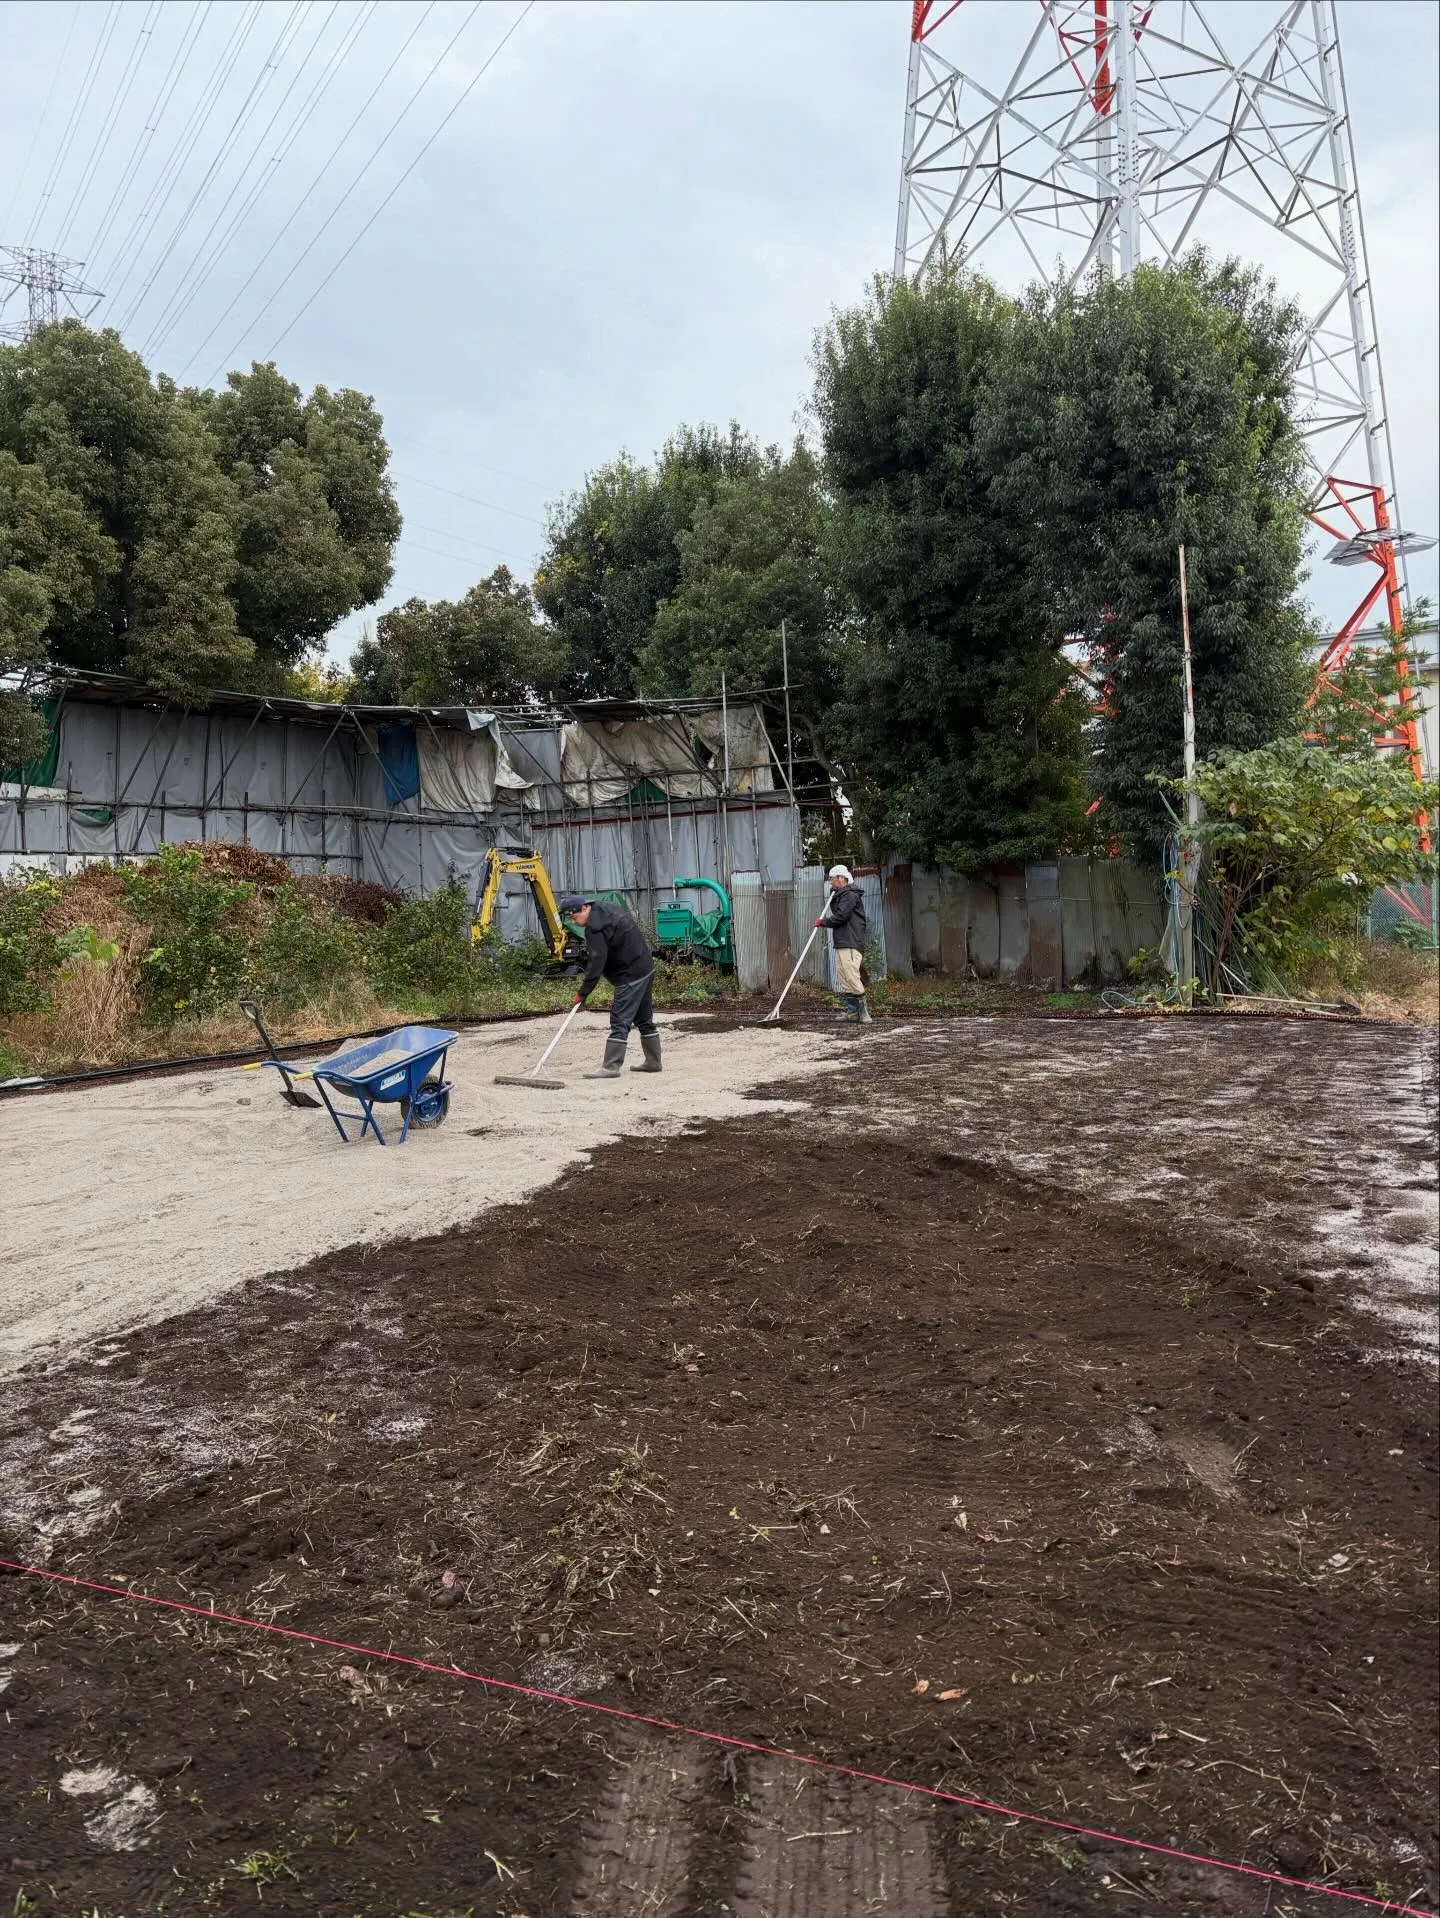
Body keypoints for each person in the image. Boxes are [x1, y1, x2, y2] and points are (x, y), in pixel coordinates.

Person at [558, 894, 662, 1078]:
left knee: (620, 1019)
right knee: (643, 1019)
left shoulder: (595, 928)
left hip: (630, 975)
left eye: (574, 918)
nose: (574, 922)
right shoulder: (603, 908)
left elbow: (597, 962)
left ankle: (610, 1067)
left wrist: (582, 994)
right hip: (644, 967)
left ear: (583, 909)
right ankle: (653, 1062)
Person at [818, 864, 872, 1024]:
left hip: (851, 940)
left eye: (832, 879)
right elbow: (837, 909)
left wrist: (823, 922)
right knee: (844, 977)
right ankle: (852, 1013)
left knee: (851, 975)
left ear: (842, 878)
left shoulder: (850, 895)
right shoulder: (841, 895)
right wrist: (833, 893)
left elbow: (841, 915)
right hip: (842, 940)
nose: (830, 883)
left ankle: (863, 1013)